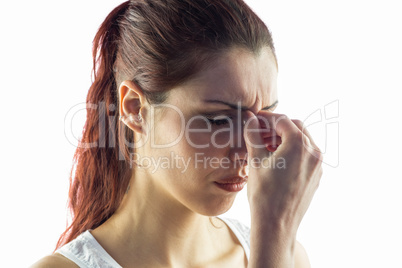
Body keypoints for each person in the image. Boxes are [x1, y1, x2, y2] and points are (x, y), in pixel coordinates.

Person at [31, 0, 322, 267]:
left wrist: (274, 239)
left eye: (263, 118)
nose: (249, 152)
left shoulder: (288, 255)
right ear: (135, 108)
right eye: (218, 120)